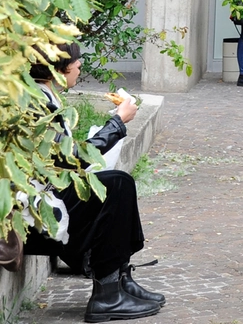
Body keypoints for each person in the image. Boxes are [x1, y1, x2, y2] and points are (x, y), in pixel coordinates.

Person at [22, 42, 166, 323]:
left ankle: (119, 280)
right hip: (35, 214)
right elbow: (69, 159)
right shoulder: (36, 101)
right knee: (117, 185)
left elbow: (61, 158)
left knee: (118, 183)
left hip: (42, 198)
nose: (80, 68)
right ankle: (107, 295)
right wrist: (117, 124)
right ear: (59, 70)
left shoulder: (41, 95)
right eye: (76, 63)